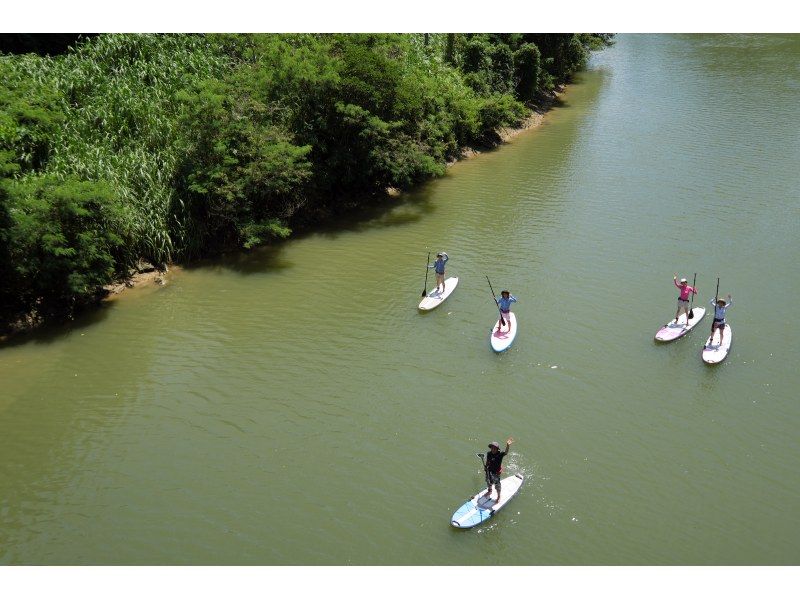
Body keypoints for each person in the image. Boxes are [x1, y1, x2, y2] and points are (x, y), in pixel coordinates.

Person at [482, 438, 513, 505]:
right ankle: (489, 491)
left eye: (494, 448)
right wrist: (486, 467)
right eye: (492, 448)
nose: (493, 449)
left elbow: (506, 452)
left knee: (497, 485)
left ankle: (498, 496)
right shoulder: (489, 453)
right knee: (488, 481)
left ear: (497, 449)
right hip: (489, 470)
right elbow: (488, 461)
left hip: (496, 473)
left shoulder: (500, 454)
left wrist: (508, 445)